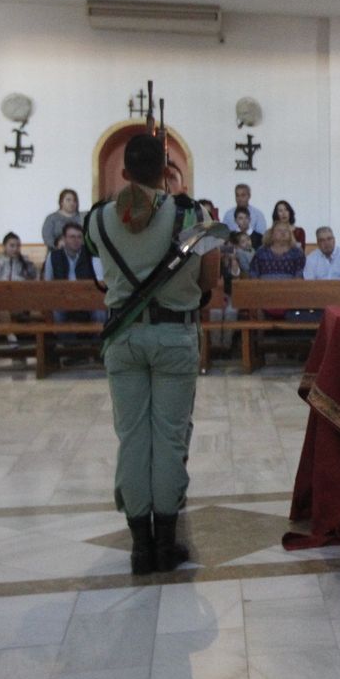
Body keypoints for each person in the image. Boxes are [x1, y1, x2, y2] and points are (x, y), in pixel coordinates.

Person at [85, 133, 219, 576]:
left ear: (123, 173)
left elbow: (97, 265)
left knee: (133, 438)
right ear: (167, 170)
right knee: (169, 438)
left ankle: (140, 546)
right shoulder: (191, 214)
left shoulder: (98, 219)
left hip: (122, 340)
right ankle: (166, 541)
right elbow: (209, 279)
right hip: (174, 337)